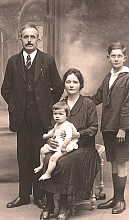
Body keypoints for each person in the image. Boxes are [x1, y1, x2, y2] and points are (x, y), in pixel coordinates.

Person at [1, 23, 64, 209]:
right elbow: (5, 89)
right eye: (26, 37)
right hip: (21, 118)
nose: (29, 40)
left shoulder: (47, 60)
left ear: (38, 39)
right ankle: (23, 195)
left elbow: (58, 86)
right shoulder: (13, 62)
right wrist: (14, 106)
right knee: (23, 157)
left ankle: (39, 195)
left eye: (33, 37)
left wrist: (47, 105)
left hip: (41, 118)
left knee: (40, 156)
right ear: (21, 39)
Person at [39, 68, 100, 220]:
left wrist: (77, 134)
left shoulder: (88, 104)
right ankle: (50, 203)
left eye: (75, 82)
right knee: (47, 158)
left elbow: (93, 128)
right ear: (64, 84)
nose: (71, 85)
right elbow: (51, 127)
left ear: (81, 85)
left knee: (65, 162)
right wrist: (50, 140)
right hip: (61, 145)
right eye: (68, 82)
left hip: (83, 148)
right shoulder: (59, 104)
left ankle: (65, 203)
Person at [92, 42, 129, 214]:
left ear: (125, 58)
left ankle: (121, 200)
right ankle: (115, 198)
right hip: (108, 127)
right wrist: (77, 99)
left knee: (121, 162)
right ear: (108, 57)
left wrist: (123, 128)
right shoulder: (108, 77)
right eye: (113, 56)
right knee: (113, 163)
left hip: (121, 129)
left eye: (119, 56)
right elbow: (97, 97)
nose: (116, 59)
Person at [34, 101, 78, 180]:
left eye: (60, 114)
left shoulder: (67, 126)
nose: (57, 116)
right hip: (57, 144)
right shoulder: (57, 124)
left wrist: (64, 146)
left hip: (64, 146)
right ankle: (41, 165)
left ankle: (48, 174)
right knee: (42, 150)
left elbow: (68, 137)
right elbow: (52, 131)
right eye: (55, 114)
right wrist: (47, 135)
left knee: (53, 158)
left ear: (67, 115)